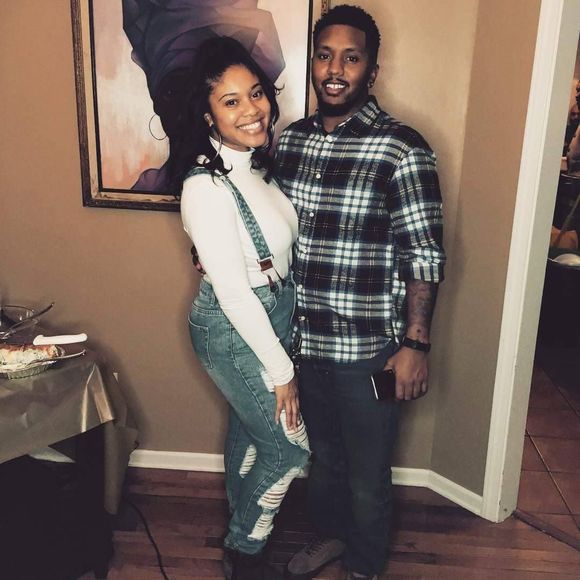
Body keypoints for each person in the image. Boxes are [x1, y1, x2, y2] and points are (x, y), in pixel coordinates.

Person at [275, 6, 446, 580]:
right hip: (303, 346)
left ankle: (365, 566)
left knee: (368, 474)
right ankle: (332, 538)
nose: (335, 70)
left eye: (351, 58)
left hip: (370, 353)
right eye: (325, 55)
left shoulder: (402, 148)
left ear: (371, 70)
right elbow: (264, 225)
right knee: (323, 462)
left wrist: (415, 345)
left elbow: (424, 254)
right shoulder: (291, 143)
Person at [170, 36, 309, 580]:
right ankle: (245, 552)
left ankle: (240, 528)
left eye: (255, 93)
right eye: (231, 101)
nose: (252, 109)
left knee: (251, 433)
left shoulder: (253, 165)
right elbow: (232, 292)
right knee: (290, 451)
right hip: (234, 324)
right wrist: (282, 372)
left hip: (269, 310)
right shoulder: (206, 186)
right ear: (208, 115)